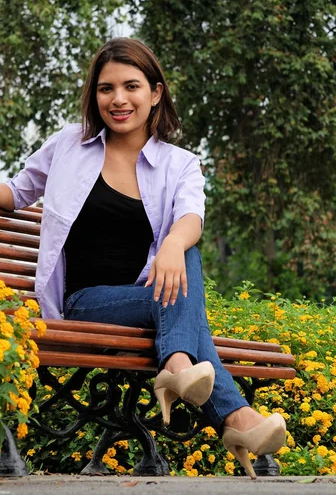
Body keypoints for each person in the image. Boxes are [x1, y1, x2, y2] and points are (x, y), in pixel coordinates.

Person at [0, 37, 286, 479]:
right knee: (181, 290)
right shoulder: (68, 146)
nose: (118, 99)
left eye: (131, 86)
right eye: (105, 88)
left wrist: (173, 243)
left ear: (155, 94)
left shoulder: (180, 164)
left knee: (182, 253)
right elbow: (18, 193)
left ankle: (189, 377)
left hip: (153, 297)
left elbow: (191, 216)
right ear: (94, 96)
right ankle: (212, 397)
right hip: (84, 304)